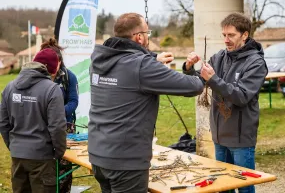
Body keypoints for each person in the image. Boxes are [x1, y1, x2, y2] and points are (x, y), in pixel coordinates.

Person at [88, 12, 204, 193]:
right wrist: (189, 71)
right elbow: (194, 86)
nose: (148, 37)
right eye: (147, 33)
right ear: (140, 37)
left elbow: (126, 70)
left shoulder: (98, 61)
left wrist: (152, 60)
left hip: (99, 156)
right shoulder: (142, 66)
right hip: (126, 161)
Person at [183, 12, 268, 193]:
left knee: (244, 186)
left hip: (241, 138)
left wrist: (213, 79)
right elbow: (199, 82)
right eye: (224, 35)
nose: (226, 40)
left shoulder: (256, 63)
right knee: (222, 186)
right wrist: (189, 69)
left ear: (245, 35)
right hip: (219, 136)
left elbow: (241, 96)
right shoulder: (219, 57)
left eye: (231, 35)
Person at [0, 48, 66, 193]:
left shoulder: (9, 87)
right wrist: (59, 152)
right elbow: (58, 127)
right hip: (42, 157)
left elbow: (3, 123)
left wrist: (14, 146)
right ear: (51, 69)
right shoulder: (52, 89)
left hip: (18, 156)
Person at [40, 38, 79, 192]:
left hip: (65, 127)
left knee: (64, 167)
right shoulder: (39, 76)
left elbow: (74, 101)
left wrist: (57, 113)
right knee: (45, 166)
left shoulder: (69, 77)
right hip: (42, 127)